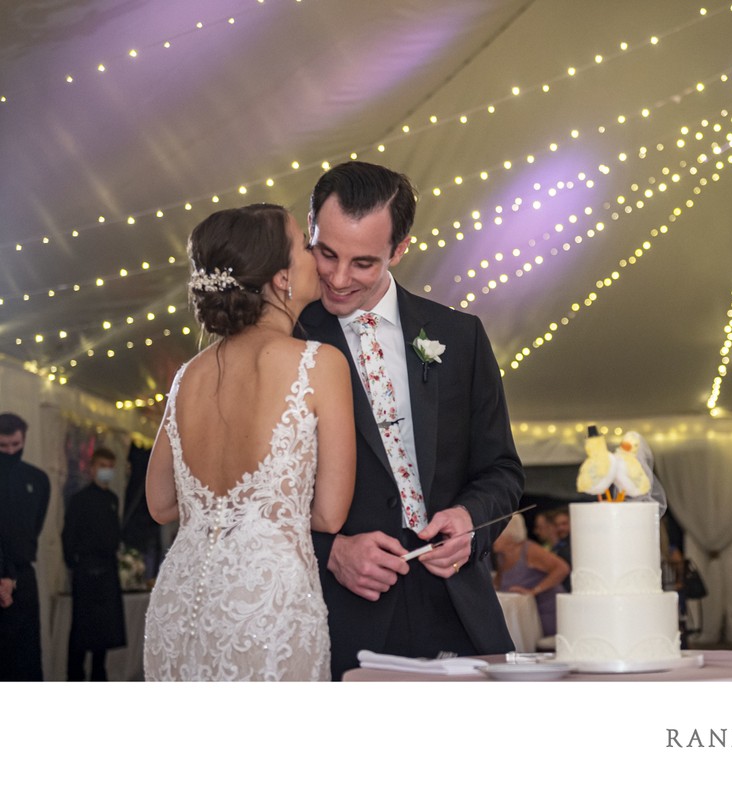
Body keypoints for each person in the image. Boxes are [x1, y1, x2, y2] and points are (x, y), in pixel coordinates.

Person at [298, 160, 524, 678]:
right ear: (310, 228)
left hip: (459, 610)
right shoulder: (286, 341)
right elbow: (251, 497)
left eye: (363, 263)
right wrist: (330, 551)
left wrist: (470, 522)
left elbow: (502, 472)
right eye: (325, 252)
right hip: (339, 617)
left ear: (398, 250)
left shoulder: (461, 336)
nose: (337, 278)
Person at [144, 203, 356, 681]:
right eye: (304, 245)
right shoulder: (320, 363)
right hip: (267, 604)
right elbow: (329, 514)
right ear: (281, 277)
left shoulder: (186, 376)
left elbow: (159, 504)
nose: (315, 255)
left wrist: (217, 508)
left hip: (180, 602)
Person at [61, 447, 127, 681]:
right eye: (102, 467)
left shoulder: (112, 499)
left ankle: (100, 675)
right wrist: (76, 564)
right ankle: (75, 677)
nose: (106, 472)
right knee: (82, 629)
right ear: (92, 469)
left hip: (108, 569)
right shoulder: (80, 500)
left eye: (110, 468)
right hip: (86, 570)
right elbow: (68, 536)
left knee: (104, 630)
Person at [0, 412, 50, 681]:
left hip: (23, 575)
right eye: (3, 447)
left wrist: (14, 575)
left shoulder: (38, 480)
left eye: (15, 446)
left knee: (27, 657)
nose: (9, 452)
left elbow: (33, 530)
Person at [492, 513, 569, 636]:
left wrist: (533, 591)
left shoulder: (530, 550)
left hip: (545, 614)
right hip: (523, 615)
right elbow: (499, 580)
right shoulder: (501, 555)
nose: (491, 538)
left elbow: (562, 568)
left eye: (495, 534)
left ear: (509, 535)